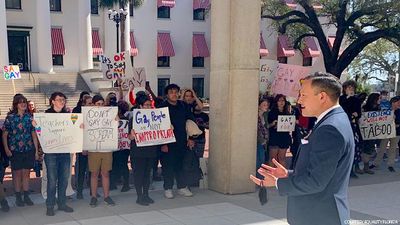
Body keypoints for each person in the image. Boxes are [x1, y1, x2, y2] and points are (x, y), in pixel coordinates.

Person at [251, 72, 354, 225]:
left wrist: (278, 182)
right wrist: (289, 174)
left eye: (303, 95)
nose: (299, 100)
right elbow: (322, 171)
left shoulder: (330, 128)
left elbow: (316, 181)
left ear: (322, 97)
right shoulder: (335, 120)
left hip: (319, 216)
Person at [2, 94, 39, 207]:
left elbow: (34, 134)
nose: (23, 104)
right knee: (17, 174)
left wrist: (36, 150)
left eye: (24, 102)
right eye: (20, 102)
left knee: (26, 173)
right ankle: (18, 196)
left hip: (28, 149)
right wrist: (7, 149)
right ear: (16, 104)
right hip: (15, 150)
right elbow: (4, 135)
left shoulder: (30, 117)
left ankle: (26, 195)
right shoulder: (10, 118)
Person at [160, 84, 195, 199]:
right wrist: (163, 143)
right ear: (167, 95)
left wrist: (191, 138)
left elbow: (190, 121)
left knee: (181, 165)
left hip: (181, 140)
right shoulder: (162, 107)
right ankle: (168, 188)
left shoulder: (183, 105)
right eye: (171, 92)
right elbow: (159, 126)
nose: (174, 94)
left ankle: (182, 187)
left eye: (176, 92)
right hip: (167, 143)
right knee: (167, 166)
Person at [43, 92, 74, 216]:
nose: (62, 101)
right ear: (53, 101)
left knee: (64, 179)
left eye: (63, 99)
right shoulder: (46, 115)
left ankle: (62, 203)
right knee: (52, 180)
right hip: (51, 153)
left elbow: (74, 129)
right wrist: (37, 126)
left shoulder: (68, 115)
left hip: (65, 152)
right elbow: (40, 132)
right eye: (59, 99)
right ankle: (50, 205)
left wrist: (79, 126)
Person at [129, 92, 159, 205]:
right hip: (138, 152)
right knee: (139, 174)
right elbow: (129, 137)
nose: (148, 107)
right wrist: (132, 135)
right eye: (146, 105)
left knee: (147, 174)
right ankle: (139, 196)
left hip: (150, 150)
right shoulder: (133, 119)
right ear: (140, 106)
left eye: (149, 105)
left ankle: (146, 194)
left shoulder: (155, 118)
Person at [88, 95, 116, 207]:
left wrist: (116, 121)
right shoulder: (88, 115)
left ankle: (106, 196)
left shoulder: (110, 114)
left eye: (102, 103)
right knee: (94, 174)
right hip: (93, 148)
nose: (100, 106)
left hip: (106, 147)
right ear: (94, 104)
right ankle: (94, 197)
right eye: (98, 104)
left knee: (105, 173)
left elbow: (115, 127)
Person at [339, 80, 362, 177]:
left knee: (355, 145)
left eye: (352, 88)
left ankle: (352, 168)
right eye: (349, 88)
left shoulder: (356, 100)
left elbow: (358, 112)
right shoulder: (340, 99)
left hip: (353, 125)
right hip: (342, 125)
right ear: (345, 89)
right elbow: (341, 109)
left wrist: (356, 114)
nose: (351, 90)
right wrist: (348, 98)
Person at [371, 96, 400, 172]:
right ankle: (376, 163)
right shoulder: (386, 110)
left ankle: (390, 165)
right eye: (398, 102)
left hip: (396, 133)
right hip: (386, 132)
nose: (399, 104)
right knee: (382, 148)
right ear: (393, 102)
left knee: (392, 149)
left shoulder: (399, 111)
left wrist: (396, 123)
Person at [73, 95, 92, 199]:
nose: (91, 105)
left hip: (93, 147)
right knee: (81, 170)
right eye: (89, 103)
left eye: (92, 103)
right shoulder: (79, 115)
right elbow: (77, 132)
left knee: (92, 170)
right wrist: (83, 147)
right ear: (84, 104)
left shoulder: (96, 115)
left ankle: (92, 190)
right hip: (82, 148)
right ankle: (79, 191)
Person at [110, 100, 131, 192]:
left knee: (115, 164)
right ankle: (125, 184)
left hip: (117, 147)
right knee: (123, 165)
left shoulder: (115, 121)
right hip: (124, 147)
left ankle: (114, 183)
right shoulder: (127, 121)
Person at [267, 94, 292, 168]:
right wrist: (273, 123)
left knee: (282, 158)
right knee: (272, 158)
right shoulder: (271, 112)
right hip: (274, 137)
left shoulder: (288, 113)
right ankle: (270, 176)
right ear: (276, 102)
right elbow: (268, 126)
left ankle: (282, 177)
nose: (281, 102)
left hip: (284, 137)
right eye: (279, 100)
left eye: (283, 100)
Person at [360, 93, 381, 174]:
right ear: (374, 99)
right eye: (379, 98)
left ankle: (366, 167)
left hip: (374, 133)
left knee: (369, 150)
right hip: (365, 132)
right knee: (365, 149)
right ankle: (364, 166)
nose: (380, 100)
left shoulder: (379, 108)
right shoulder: (365, 108)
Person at [256, 98, 269, 178]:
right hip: (258, 140)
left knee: (262, 160)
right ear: (259, 106)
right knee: (259, 161)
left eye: (267, 105)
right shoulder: (256, 115)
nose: (266, 106)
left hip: (263, 140)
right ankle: (259, 179)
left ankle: (260, 179)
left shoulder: (264, 115)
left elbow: (265, 127)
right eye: (264, 105)